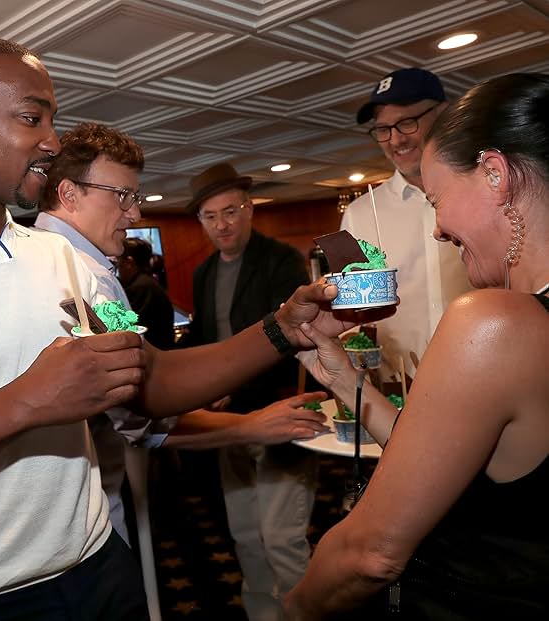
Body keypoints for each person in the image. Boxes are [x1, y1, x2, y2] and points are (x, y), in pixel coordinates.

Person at [0, 35, 390, 619]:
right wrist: (26, 401)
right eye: (31, 118)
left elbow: (149, 376)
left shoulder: (59, 259)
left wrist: (282, 328)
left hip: (101, 567)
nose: (52, 141)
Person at [284, 73, 549, 620]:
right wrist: (340, 377)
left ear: (495, 176)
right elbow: (451, 457)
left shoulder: (493, 320)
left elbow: (372, 554)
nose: (436, 228)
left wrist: (297, 608)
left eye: (438, 200)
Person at [35, 121, 328, 543]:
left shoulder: (56, 259)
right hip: (78, 535)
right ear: (68, 194)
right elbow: (142, 404)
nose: (134, 213)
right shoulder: (78, 275)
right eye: (123, 196)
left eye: (134, 198)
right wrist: (250, 421)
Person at [184, 162, 318, 621]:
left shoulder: (280, 261)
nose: (222, 224)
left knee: (282, 537)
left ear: (249, 209)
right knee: (243, 533)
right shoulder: (203, 274)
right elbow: (205, 339)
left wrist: (226, 382)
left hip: (277, 412)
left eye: (231, 211)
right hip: (229, 422)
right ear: (200, 221)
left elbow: (288, 340)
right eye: (210, 216)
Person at [342, 67, 472, 380]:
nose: (396, 139)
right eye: (383, 129)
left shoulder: (483, 190)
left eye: (407, 122)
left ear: (443, 113)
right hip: (400, 390)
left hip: (488, 379)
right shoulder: (359, 215)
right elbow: (353, 318)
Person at [118, 237, 175, 350]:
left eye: (119, 262)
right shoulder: (146, 282)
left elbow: (132, 328)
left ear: (129, 262)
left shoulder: (141, 287)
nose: (118, 268)